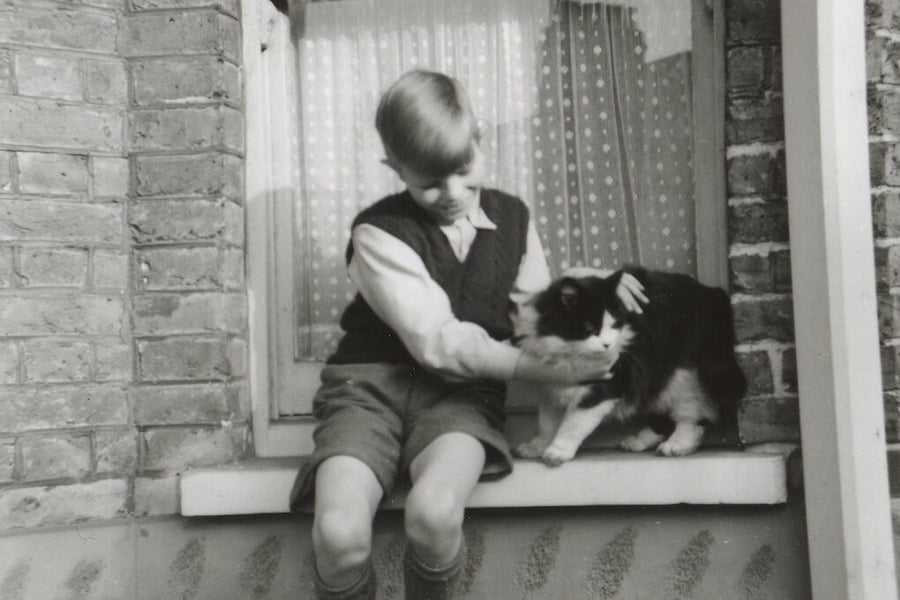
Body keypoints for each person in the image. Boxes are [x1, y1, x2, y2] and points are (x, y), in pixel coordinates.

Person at [289, 69, 647, 600]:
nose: (452, 193)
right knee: (340, 536)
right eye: (429, 182)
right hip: (367, 392)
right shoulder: (378, 233)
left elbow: (532, 311)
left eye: (463, 170)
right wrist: (535, 369)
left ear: (479, 138)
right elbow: (439, 340)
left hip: (459, 400)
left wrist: (582, 282)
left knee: (434, 515)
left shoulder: (514, 219)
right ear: (395, 169)